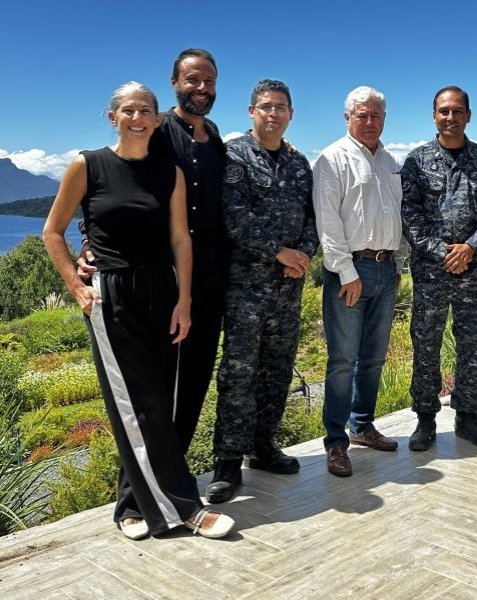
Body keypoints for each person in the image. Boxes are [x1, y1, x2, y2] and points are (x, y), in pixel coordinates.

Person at [43, 82, 233, 539]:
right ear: (113, 117)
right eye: (128, 110)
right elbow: (53, 232)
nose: (137, 118)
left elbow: (179, 240)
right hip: (114, 294)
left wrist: (184, 300)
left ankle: (130, 506)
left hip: (163, 291)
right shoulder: (87, 164)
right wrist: (76, 286)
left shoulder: (169, 171)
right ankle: (185, 508)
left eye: (145, 110)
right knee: (138, 405)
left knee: (155, 405)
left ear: (157, 118)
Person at [79, 49, 227, 454]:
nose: (201, 88)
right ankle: (153, 484)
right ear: (175, 83)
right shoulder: (157, 132)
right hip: (164, 279)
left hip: (210, 278)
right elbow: (115, 192)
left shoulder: (214, 137)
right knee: (155, 389)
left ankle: (175, 470)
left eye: (208, 81)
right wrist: (89, 244)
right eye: (192, 80)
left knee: (195, 379)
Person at [205, 79, 318, 502]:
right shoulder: (233, 155)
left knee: (277, 368)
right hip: (246, 287)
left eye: (281, 107)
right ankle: (228, 461)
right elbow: (233, 217)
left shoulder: (299, 163)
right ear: (252, 111)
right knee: (238, 372)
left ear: (291, 114)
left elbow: (313, 218)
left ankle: (263, 447)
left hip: (288, 288)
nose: (274, 114)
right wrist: (278, 252)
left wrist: (302, 255)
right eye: (266, 107)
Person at [401, 86, 477, 450]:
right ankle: (425, 420)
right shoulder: (417, 161)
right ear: (434, 115)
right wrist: (442, 252)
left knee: (473, 347)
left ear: (468, 115)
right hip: (431, 272)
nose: (450, 117)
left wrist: (471, 248)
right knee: (426, 345)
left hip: (474, 271)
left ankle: (468, 418)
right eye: (444, 111)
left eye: (457, 111)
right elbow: (410, 216)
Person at [313, 86, 406, 477]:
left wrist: (399, 263)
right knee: (341, 361)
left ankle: (362, 425)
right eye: (362, 115)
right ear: (347, 117)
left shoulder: (389, 161)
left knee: (373, 357)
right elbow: (328, 222)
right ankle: (336, 442)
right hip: (351, 271)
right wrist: (346, 272)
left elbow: (398, 215)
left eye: (376, 116)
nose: (370, 122)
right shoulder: (332, 159)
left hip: (386, 269)